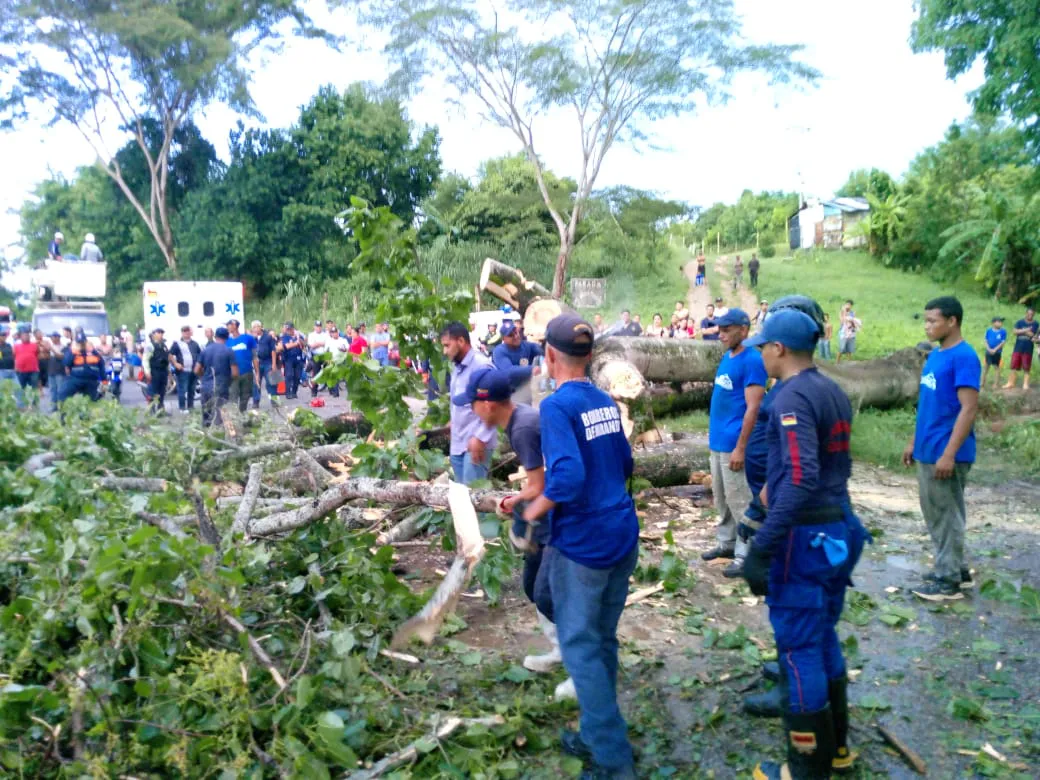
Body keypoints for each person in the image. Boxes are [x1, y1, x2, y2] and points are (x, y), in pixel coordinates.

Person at [741, 309, 868, 780]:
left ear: (779, 349)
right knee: (823, 634)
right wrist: (758, 507)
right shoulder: (830, 389)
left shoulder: (790, 398)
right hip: (838, 527)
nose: (760, 354)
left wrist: (763, 545)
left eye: (763, 346)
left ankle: (805, 769)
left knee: (798, 649)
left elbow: (799, 477)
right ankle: (837, 751)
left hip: (806, 539)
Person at [521, 313, 639, 780]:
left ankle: (611, 759)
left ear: (550, 356)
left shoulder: (556, 406)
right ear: (589, 355)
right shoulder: (604, 400)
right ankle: (594, 734)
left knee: (580, 647)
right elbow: (624, 462)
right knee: (602, 638)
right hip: (621, 533)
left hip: (585, 545)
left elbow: (567, 477)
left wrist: (533, 510)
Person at [455, 368, 576, 700]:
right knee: (533, 586)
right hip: (551, 508)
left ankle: (582, 661)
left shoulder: (521, 428)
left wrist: (517, 503)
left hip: (560, 513)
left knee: (548, 592)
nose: (472, 412)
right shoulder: (519, 418)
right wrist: (519, 500)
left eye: (472, 405)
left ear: (488, 405)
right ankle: (561, 650)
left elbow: (539, 485)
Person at [903, 296, 981, 601]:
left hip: (946, 452)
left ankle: (947, 581)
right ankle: (958, 571)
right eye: (925, 320)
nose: (927, 326)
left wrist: (948, 454)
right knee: (940, 511)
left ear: (952, 321)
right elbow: (928, 404)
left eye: (932, 321)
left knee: (945, 515)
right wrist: (914, 441)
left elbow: (969, 409)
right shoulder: (936, 355)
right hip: (928, 446)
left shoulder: (964, 357)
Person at [701, 309, 767, 577]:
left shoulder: (752, 360)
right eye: (720, 329)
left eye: (727, 330)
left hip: (733, 443)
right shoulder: (728, 357)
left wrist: (741, 447)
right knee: (722, 497)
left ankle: (747, 553)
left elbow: (754, 407)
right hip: (718, 441)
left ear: (744, 330)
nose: (721, 334)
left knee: (740, 499)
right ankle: (727, 543)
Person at [441, 322, 497, 484]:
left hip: (476, 443)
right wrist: (453, 421)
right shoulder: (458, 367)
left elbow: (493, 405)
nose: (445, 351)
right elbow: (459, 401)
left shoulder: (481, 366)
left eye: (447, 345)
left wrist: (480, 437)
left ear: (460, 341)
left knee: (474, 494)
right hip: (458, 443)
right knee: (462, 495)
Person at [492, 320, 543, 404]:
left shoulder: (525, 345)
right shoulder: (499, 351)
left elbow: (541, 350)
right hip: (508, 393)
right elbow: (509, 371)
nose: (515, 336)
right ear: (504, 339)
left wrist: (543, 343)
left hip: (525, 389)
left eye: (516, 332)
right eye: (510, 335)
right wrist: (532, 369)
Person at [196, 327, 237, 427]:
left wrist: (203, 377)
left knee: (206, 414)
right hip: (221, 386)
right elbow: (235, 373)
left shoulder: (205, 351)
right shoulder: (229, 351)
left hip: (206, 386)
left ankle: (206, 432)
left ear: (215, 336)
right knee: (221, 414)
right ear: (227, 337)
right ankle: (219, 432)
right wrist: (229, 381)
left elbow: (196, 370)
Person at [60, 329, 105, 402]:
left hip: (91, 380)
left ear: (86, 342)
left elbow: (102, 366)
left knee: (94, 400)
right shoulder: (73, 351)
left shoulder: (94, 352)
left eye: (83, 342)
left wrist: (104, 381)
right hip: (76, 379)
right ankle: (62, 408)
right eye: (79, 343)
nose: (81, 345)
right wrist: (72, 351)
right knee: (62, 394)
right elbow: (66, 363)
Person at [226, 319, 259, 414]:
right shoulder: (227, 341)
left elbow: (254, 356)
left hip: (247, 372)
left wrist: (257, 373)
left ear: (235, 326)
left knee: (245, 396)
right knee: (233, 397)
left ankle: (242, 414)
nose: (227, 327)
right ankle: (234, 417)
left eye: (229, 325)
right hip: (232, 374)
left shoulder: (248, 338)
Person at [1003, 306, 1037, 390]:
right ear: (1026, 313)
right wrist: (1026, 330)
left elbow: (1032, 335)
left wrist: (1021, 331)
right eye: (1028, 314)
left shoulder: (1035, 323)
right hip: (1018, 347)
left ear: (1034, 315)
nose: (1030, 316)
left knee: (1026, 366)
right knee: (1013, 365)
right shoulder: (1020, 322)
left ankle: (1025, 384)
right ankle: (1010, 383)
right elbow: (1014, 332)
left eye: (1031, 314)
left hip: (1028, 348)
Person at [170, 325, 201, 413]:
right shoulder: (177, 343)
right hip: (182, 371)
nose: (186, 333)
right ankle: (182, 408)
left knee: (192, 390)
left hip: (194, 370)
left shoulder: (195, 344)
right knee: (182, 390)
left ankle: (191, 407)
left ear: (191, 332)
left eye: (188, 331)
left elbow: (200, 354)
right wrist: (175, 364)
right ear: (182, 332)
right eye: (184, 331)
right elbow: (170, 354)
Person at [142, 328, 170, 415]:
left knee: (162, 392)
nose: (161, 334)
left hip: (163, 371)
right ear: (153, 334)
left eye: (162, 333)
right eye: (159, 332)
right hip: (154, 371)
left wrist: (169, 372)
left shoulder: (164, 346)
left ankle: (161, 411)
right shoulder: (150, 346)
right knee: (152, 391)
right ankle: (151, 411)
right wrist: (147, 372)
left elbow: (167, 360)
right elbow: (145, 359)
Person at [253, 321, 280, 408]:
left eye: (256, 327)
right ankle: (256, 402)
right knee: (256, 382)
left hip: (268, 361)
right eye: (253, 327)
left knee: (272, 382)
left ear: (261, 327)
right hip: (257, 362)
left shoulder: (268, 337)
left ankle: (274, 401)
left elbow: (273, 351)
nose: (255, 329)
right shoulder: (253, 338)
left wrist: (274, 364)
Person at [14, 326, 41, 408]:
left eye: (27, 335)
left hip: (33, 370)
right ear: (20, 336)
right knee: (21, 388)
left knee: (34, 388)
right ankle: (22, 404)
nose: (26, 336)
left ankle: (35, 404)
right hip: (21, 371)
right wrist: (15, 366)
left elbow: (37, 354)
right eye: (24, 335)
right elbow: (14, 357)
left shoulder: (35, 345)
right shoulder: (16, 346)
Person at [279, 322, 305, 399]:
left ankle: (294, 392)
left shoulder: (298, 336)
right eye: (287, 329)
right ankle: (288, 393)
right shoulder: (285, 337)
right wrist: (296, 343)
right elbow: (286, 346)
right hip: (288, 359)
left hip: (298, 359)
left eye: (290, 329)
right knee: (289, 375)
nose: (288, 331)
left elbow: (304, 344)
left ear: (293, 329)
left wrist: (299, 339)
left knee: (297, 376)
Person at [982, 316, 1008, 389]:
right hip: (988, 352)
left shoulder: (1003, 331)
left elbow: (1002, 343)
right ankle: (982, 383)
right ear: (993, 323)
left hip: (997, 352)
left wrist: (995, 350)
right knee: (986, 367)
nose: (1001, 323)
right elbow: (985, 340)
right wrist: (989, 349)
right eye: (999, 321)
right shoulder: (989, 331)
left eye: (1001, 322)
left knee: (997, 367)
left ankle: (995, 384)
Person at [45, 333, 66, 412]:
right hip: (51, 370)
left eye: (53, 337)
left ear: (58, 338)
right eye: (51, 337)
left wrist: (51, 349)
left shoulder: (64, 347)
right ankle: (53, 406)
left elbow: (60, 356)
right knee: (52, 389)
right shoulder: (50, 347)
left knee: (60, 389)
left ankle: (61, 406)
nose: (51, 339)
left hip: (60, 371)